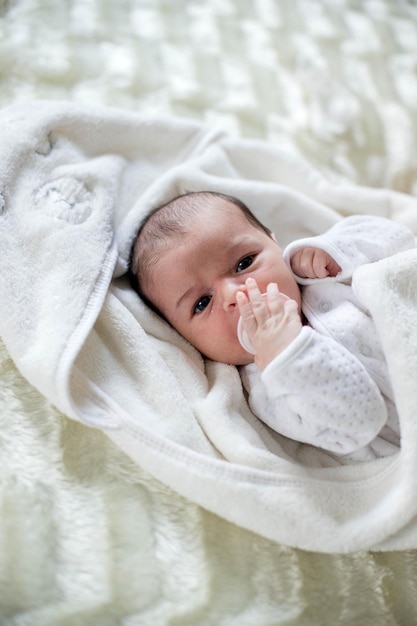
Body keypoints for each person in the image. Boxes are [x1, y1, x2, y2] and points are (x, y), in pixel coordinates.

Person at [129, 191, 415, 460]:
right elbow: (359, 422)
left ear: (273, 243)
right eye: (202, 303)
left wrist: (334, 252)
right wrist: (289, 355)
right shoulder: (269, 387)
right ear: (187, 339)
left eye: (243, 263)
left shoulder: (322, 272)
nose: (235, 296)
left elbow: (402, 243)